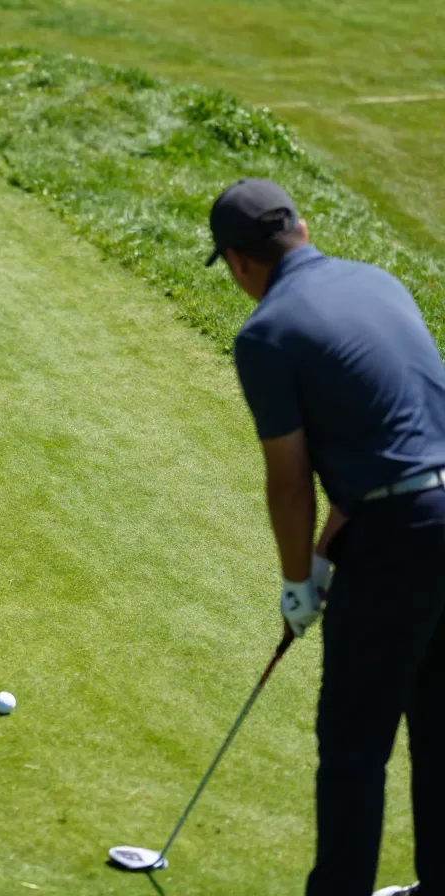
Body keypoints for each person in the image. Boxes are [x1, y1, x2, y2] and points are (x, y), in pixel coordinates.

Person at [209, 178, 445, 896]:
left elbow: (290, 478)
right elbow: (394, 441)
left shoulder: (267, 333)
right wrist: (321, 558)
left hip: (401, 533)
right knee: (437, 722)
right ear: (302, 230)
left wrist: (294, 581)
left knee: (352, 739)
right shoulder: (379, 282)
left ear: (237, 262)